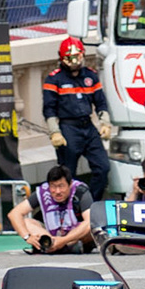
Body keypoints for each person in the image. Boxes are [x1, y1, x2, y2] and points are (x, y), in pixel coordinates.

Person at [42, 36, 113, 201]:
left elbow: (101, 103)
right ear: (62, 58)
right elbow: (49, 109)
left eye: (77, 57)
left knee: (103, 167)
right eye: (70, 58)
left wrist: (105, 124)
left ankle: (90, 203)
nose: (74, 62)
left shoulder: (91, 76)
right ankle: (69, 208)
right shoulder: (54, 79)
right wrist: (55, 132)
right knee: (67, 174)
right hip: (68, 129)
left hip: (88, 126)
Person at [9, 165, 94, 253]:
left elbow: (89, 222)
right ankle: (49, 245)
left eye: (61, 186)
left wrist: (63, 240)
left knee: (90, 226)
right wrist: (27, 237)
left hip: (74, 236)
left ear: (70, 184)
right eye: (53, 186)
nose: (57, 191)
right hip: (52, 235)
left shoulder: (80, 191)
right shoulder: (43, 192)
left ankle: (64, 246)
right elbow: (14, 214)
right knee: (27, 222)